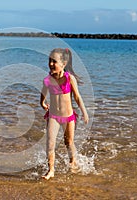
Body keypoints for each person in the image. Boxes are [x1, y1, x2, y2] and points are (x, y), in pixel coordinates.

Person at [40, 48, 89, 180]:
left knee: (69, 142)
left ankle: (73, 162)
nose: (51, 64)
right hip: (53, 117)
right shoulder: (48, 80)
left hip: (68, 118)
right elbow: (43, 94)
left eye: (54, 61)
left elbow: (77, 97)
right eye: (49, 60)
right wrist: (42, 103)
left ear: (64, 63)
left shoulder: (70, 79)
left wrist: (84, 112)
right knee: (50, 143)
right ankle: (51, 170)